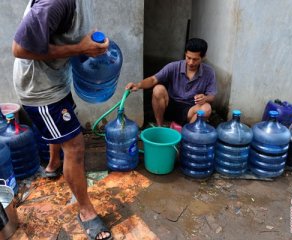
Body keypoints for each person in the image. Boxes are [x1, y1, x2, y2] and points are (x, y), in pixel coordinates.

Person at [12, 0, 112, 239]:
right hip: (40, 90)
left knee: (62, 131)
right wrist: (79, 49)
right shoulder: (55, 2)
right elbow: (19, 48)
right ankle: (86, 212)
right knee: (75, 146)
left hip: (56, 78)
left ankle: (52, 164)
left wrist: (90, 46)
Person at [126, 38, 217, 126]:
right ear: (185, 54)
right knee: (158, 89)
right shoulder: (174, 67)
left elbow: (211, 96)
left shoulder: (209, 72)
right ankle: (160, 127)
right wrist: (138, 85)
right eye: (188, 58)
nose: (190, 62)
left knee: (207, 108)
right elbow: (153, 79)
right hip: (170, 105)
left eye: (195, 59)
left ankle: (188, 134)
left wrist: (205, 98)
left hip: (191, 109)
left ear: (203, 57)